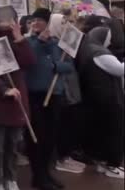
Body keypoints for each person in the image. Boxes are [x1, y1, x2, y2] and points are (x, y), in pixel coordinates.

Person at [0, 5, 36, 190]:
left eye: (10, 17)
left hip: (18, 100)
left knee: (13, 145)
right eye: (2, 17)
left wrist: (20, 38)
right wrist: (3, 90)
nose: (6, 21)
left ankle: (11, 179)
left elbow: (29, 61)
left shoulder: (17, 39)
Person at [26, 8, 74, 190]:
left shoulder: (57, 43)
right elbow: (29, 60)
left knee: (51, 138)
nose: (35, 23)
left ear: (48, 23)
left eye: (40, 20)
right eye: (33, 20)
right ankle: (37, 176)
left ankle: (46, 173)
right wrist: (39, 42)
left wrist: (55, 65)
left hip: (54, 95)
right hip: (36, 97)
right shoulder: (29, 42)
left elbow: (67, 66)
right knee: (38, 138)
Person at [76, 26, 124, 179]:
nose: (109, 42)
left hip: (96, 97)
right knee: (113, 131)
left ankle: (102, 164)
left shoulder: (87, 49)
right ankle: (112, 165)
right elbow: (119, 69)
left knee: (102, 132)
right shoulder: (99, 52)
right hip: (108, 98)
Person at [48, 14, 87, 174]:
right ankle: (60, 158)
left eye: (68, 22)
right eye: (63, 23)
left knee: (69, 125)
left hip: (70, 90)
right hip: (59, 91)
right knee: (61, 126)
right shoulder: (51, 43)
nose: (67, 26)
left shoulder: (65, 44)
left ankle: (66, 156)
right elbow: (55, 66)